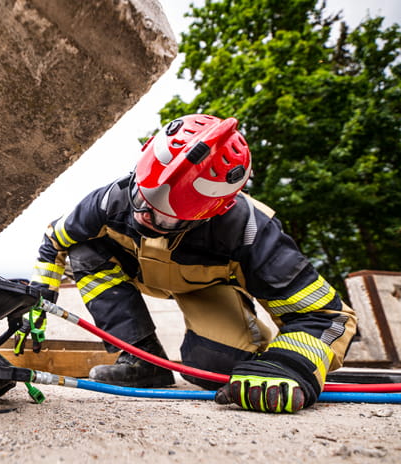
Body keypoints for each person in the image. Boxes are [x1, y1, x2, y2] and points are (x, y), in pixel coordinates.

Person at [25, 114, 357, 413]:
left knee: (215, 371)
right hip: (140, 273)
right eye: (142, 197)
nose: (144, 216)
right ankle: (142, 361)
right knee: (84, 251)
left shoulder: (250, 229)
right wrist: (36, 299)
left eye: (165, 219)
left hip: (208, 287)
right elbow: (54, 241)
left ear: (213, 212)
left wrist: (287, 364)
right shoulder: (108, 200)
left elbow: (327, 317)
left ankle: (253, 353)